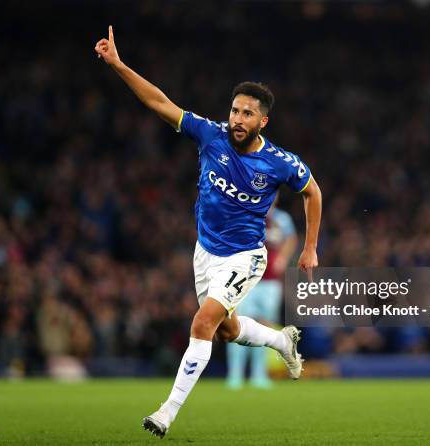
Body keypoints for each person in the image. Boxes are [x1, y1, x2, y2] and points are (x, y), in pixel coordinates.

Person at [95, 26, 322, 438]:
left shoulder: (279, 162)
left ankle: (166, 413)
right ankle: (280, 342)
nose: (237, 119)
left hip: (245, 256)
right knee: (226, 330)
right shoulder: (210, 134)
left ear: (262, 121)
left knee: (202, 323)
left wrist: (309, 248)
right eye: (235, 111)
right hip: (205, 253)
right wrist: (118, 66)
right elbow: (158, 102)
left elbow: (313, 192)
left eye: (247, 114)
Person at [226, 200, 298, 389]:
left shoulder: (281, 218)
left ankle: (259, 374)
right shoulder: (246, 214)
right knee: (237, 325)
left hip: (270, 283)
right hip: (246, 280)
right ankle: (235, 374)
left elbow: (291, 239)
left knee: (265, 327)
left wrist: (283, 257)